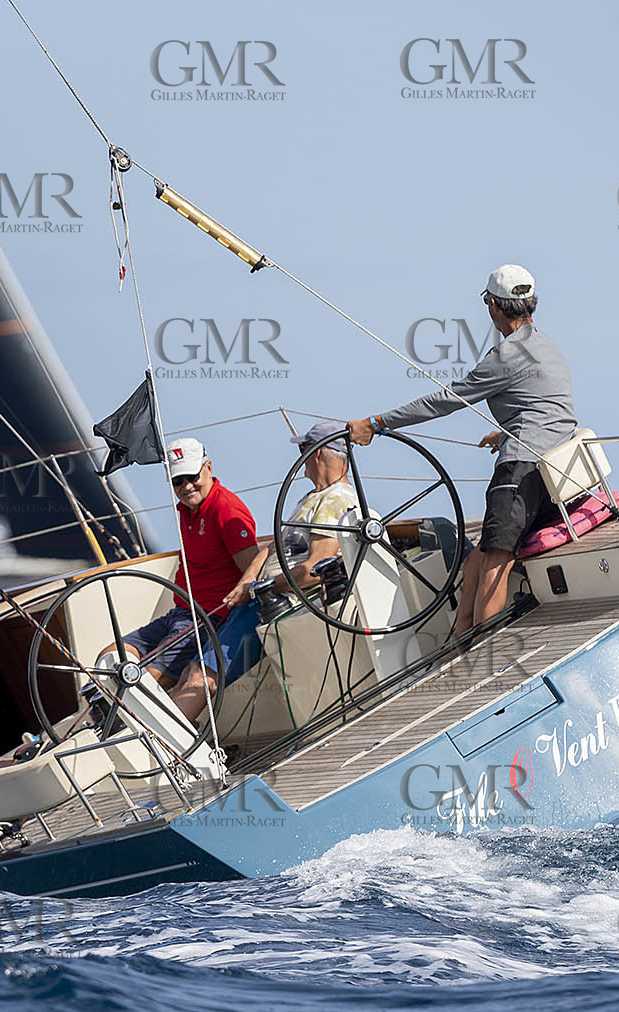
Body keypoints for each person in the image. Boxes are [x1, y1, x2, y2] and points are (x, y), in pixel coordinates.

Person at [347, 264, 575, 634]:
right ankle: (458, 647)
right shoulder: (549, 349)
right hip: (556, 473)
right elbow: (551, 412)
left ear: (494, 307)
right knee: (473, 565)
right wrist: (505, 434)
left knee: (492, 573)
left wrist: (376, 423)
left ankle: (482, 661)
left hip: (521, 474)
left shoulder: (505, 356)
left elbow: (445, 401)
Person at [108, 438, 266, 722]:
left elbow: (252, 569)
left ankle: (121, 733)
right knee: (111, 659)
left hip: (206, 617)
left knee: (143, 679)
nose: (186, 487)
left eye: (192, 477)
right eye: (177, 481)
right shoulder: (187, 508)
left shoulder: (226, 509)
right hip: (180, 612)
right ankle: (92, 721)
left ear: (208, 468)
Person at [263, 418, 359, 594]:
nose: (302, 457)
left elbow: (315, 570)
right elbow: (275, 546)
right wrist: (248, 580)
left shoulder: (337, 499)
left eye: (303, 449)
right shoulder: (314, 497)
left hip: (287, 602)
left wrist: (263, 588)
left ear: (317, 453)